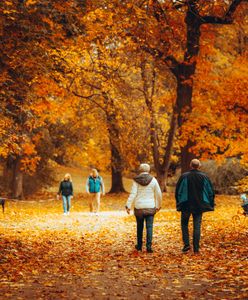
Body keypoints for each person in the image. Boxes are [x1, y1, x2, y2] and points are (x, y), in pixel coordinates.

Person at [175, 159, 215, 254]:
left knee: (184, 224)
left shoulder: (184, 176)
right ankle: (196, 248)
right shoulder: (204, 177)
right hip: (199, 204)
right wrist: (211, 203)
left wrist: (178, 202)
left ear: (190, 165)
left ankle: (186, 245)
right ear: (199, 165)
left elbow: (178, 191)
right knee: (197, 225)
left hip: (186, 204)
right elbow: (210, 192)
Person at [125, 163, 162, 253]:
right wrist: (158, 205)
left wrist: (128, 205)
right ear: (148, 170)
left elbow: (133, 194)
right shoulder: (153, 180)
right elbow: (158, 193)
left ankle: (139, 246)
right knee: (149, 227)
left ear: (140, 170)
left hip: (139, 207)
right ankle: (149, 247)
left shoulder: (136, 180)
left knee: (139, 227)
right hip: (150, 206)